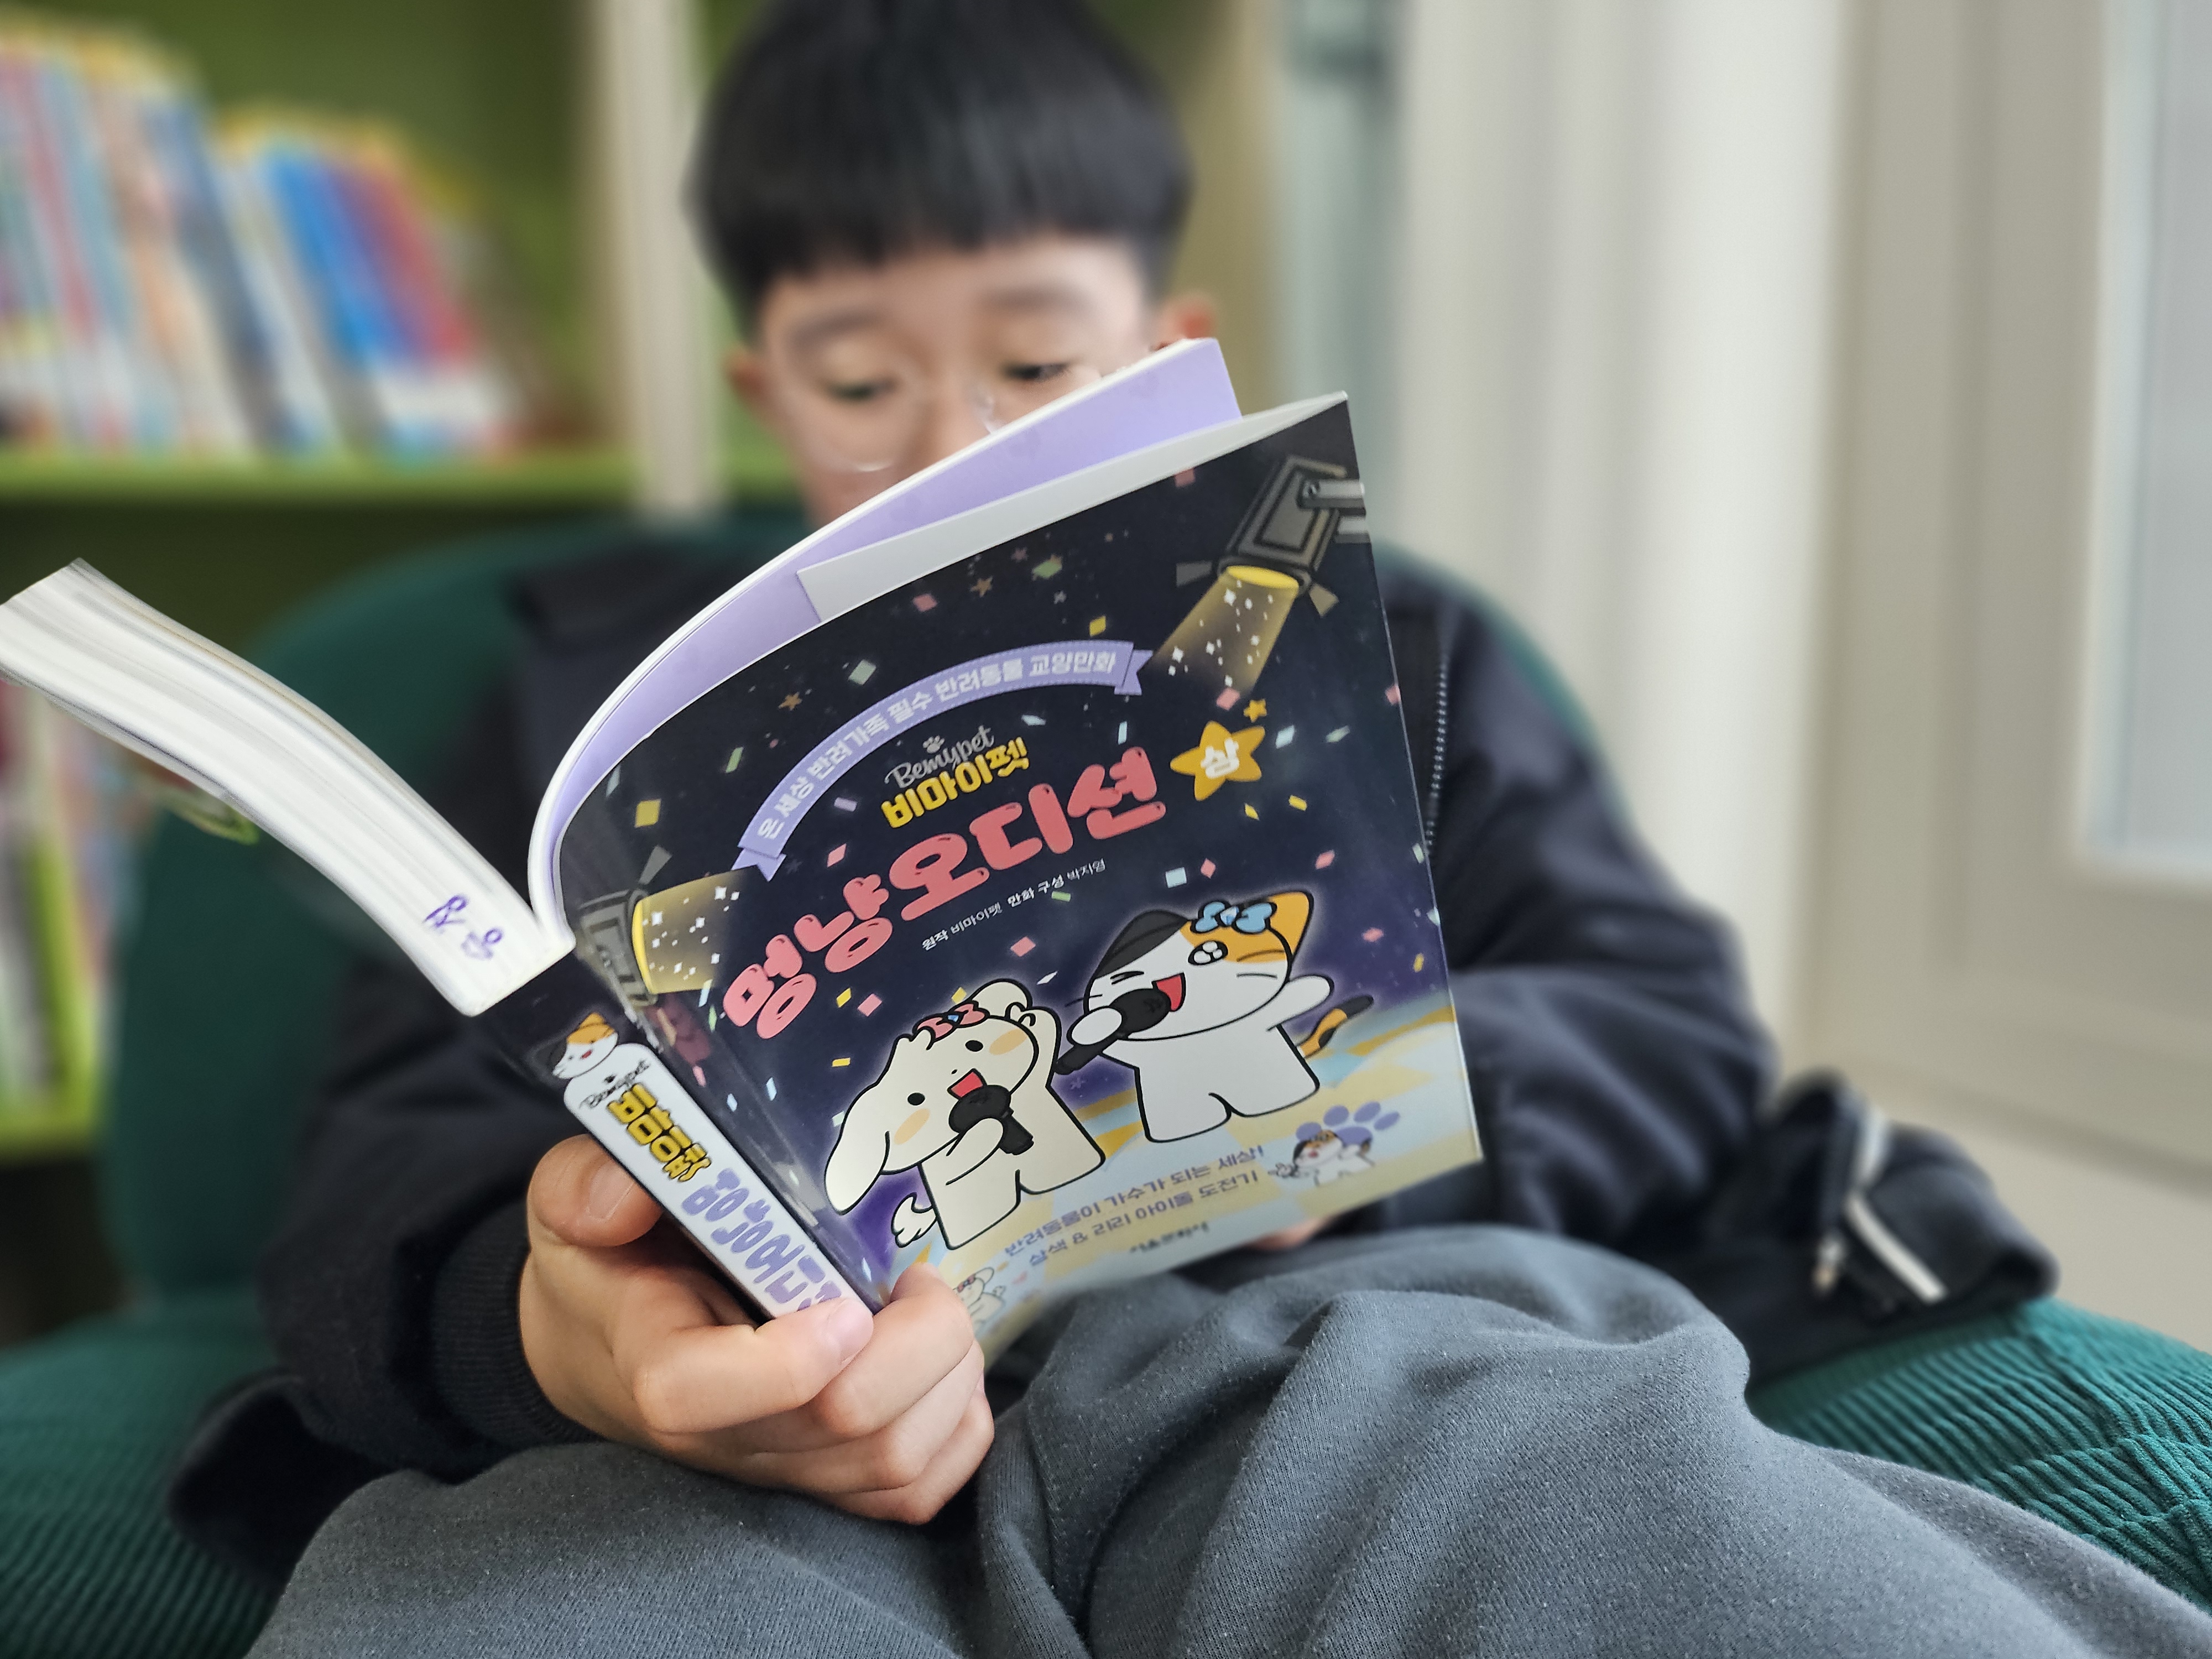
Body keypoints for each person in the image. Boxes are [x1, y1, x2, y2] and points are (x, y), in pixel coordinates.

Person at [182, 3, 2212, 1653]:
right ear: (760, 386)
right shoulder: (577, 729)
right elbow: (386, 1149)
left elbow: (1663, 1022)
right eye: (859, 381)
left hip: (1334, 1335)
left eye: (1035, 358)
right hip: (733, 1452)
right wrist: (547, 1330)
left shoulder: (1382, 646)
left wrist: (1366, 1108)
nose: (951, 440)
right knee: (536, 1602)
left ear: (1167, 347)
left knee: (1559, 1491)